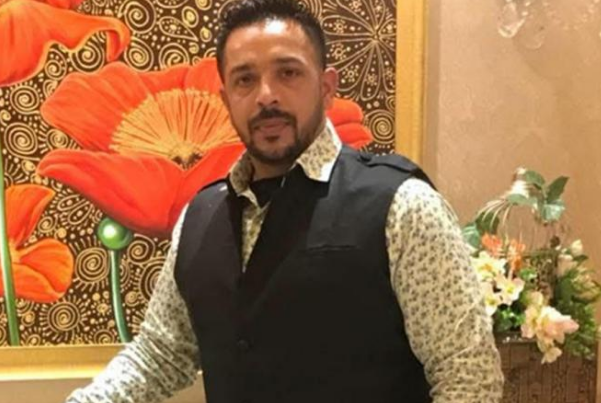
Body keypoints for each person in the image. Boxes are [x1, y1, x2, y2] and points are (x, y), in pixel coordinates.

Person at [66, 0, 504, 402]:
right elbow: (160, 355)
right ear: (226, 99)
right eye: (245, 79)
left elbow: (468, 375)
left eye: (288, 73)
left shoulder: (402, 207)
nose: (266, 96)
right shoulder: (198, 219)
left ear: (326, 86)